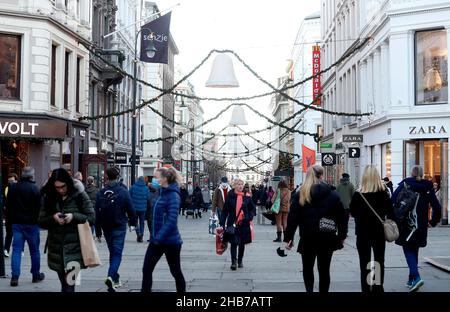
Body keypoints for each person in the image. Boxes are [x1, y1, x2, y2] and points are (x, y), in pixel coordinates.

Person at [284, 165, 347, 293]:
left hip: (308, 237)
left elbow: (292, 218)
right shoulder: (332, 193)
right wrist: (342, 236)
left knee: (307, 268)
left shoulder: (301, 194)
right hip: (327, 237)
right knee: (324, 270)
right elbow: (342, 217)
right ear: (322, 175)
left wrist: (288, 238)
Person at [38, 168, 95, 292]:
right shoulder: (49, 197)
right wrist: (53, 218)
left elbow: (91, 217)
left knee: (69, 286)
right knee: (64, 284)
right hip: (57, 249)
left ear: (68, 183)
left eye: (63, 187)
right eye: (57, 187)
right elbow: (41, 221)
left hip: (75, 249)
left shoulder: (79, 194)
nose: (61, 190)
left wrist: (73, 217)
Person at [391, 165, 441, 292]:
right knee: (415, 249)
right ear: (422, 174)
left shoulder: (405, 184)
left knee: (408, 250)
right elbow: (437, 206)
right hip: (421, 224)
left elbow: (392, 200)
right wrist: (433, 221)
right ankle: (411, 279)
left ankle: (417, 277)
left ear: (411, 173)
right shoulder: (428, 186)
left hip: (406, 223)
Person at [349, 165, 395, 292]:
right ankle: (377, 287)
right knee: (379, 261)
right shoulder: (383, 194)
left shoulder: (358, 195)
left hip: (363, 233)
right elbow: (391, 213)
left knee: (364, 262)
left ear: (364, 178)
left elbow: (352, 212)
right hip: (378, 232)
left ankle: (366, 288)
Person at [141, 167, 186, 292]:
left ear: (165, 179)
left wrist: (158, 238)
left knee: (176, 272)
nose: (154, 179)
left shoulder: (173, 196)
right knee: (146, 269)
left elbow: (171, 221)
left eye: (156, 177)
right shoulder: (160, 192)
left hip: (170, 242)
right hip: (156, 240)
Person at [95, 167, 137, 292]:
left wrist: (98, 231)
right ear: (117, 177)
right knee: (117, 253)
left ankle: (115, 277)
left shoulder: (101, 193)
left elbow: (97, 213)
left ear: (107, 177)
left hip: (106, 227)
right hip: (119, 226)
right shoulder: (123, 191)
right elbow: (131, 209)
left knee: (113, 252)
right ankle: (111, 276)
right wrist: (133, 223)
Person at [6, 167, 45, 287]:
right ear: (32, 176)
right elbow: (40, 207)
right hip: (32, 224)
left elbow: (9, 206)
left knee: (16, 250)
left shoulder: (13, 187)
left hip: (17, 223)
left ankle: (15, 276)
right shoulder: (35, 188)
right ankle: (35, 275)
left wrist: (10, 221)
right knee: (34, 251)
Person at [220, 178, 256, 270]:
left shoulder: (247, 196)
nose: (240, 186)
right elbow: (225, 211)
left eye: (241, 184)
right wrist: (222, 223)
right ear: (234, 186)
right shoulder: (230, 196)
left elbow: (252, 208)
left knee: (242, 243)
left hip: (244, 223)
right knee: (233, 242)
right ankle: (233, 262)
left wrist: (249, 216)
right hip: (233, 223)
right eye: (238, 184)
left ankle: (240, 260)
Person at [129, 176, 150, 243]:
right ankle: (141, 234)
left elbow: (129, 196)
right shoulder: (146, 188)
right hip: (143, 209)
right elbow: (148, 198)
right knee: (142, 222)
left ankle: (138, 233)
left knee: (135, 222)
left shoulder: (133, 187)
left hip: (134, 208)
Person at [3, 173, 18, 258]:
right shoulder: (6, 189)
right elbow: (5, 200)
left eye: (12, 181)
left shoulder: (20, 189)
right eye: (9, 181)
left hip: (18, 215)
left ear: (16, 180)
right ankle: (6, 249)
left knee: (18, 234)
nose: (10, 182)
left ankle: (20, 249)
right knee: (9, 233)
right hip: (9, 215)